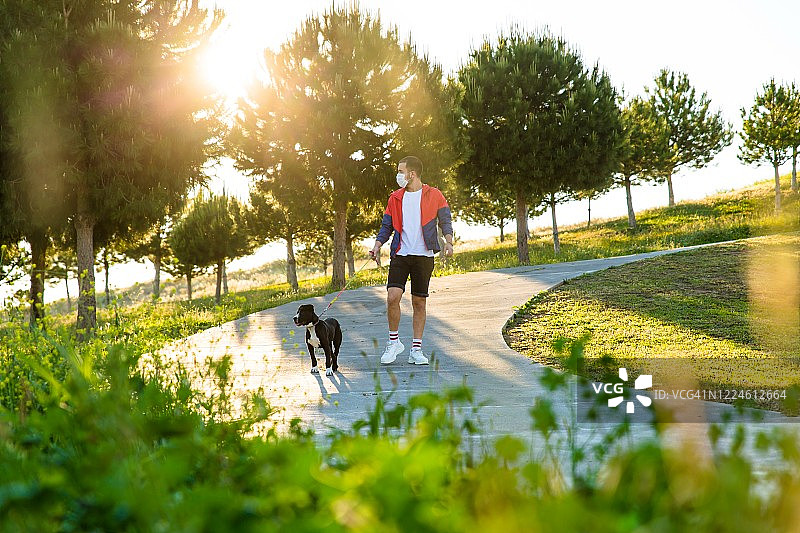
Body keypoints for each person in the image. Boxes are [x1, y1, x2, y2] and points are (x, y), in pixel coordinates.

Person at [369, 155, 454, 365]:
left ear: (412, 173)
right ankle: (394, 342)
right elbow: (386, 226)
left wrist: (449, 242)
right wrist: (377, 246)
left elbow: (445, 220)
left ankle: (416, 349)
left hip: (423, 256)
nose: (398, 175)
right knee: (392, 297)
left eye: (400, 171)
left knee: (419, 302)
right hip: (401, 253)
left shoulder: (434, 195)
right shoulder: (395, 198)